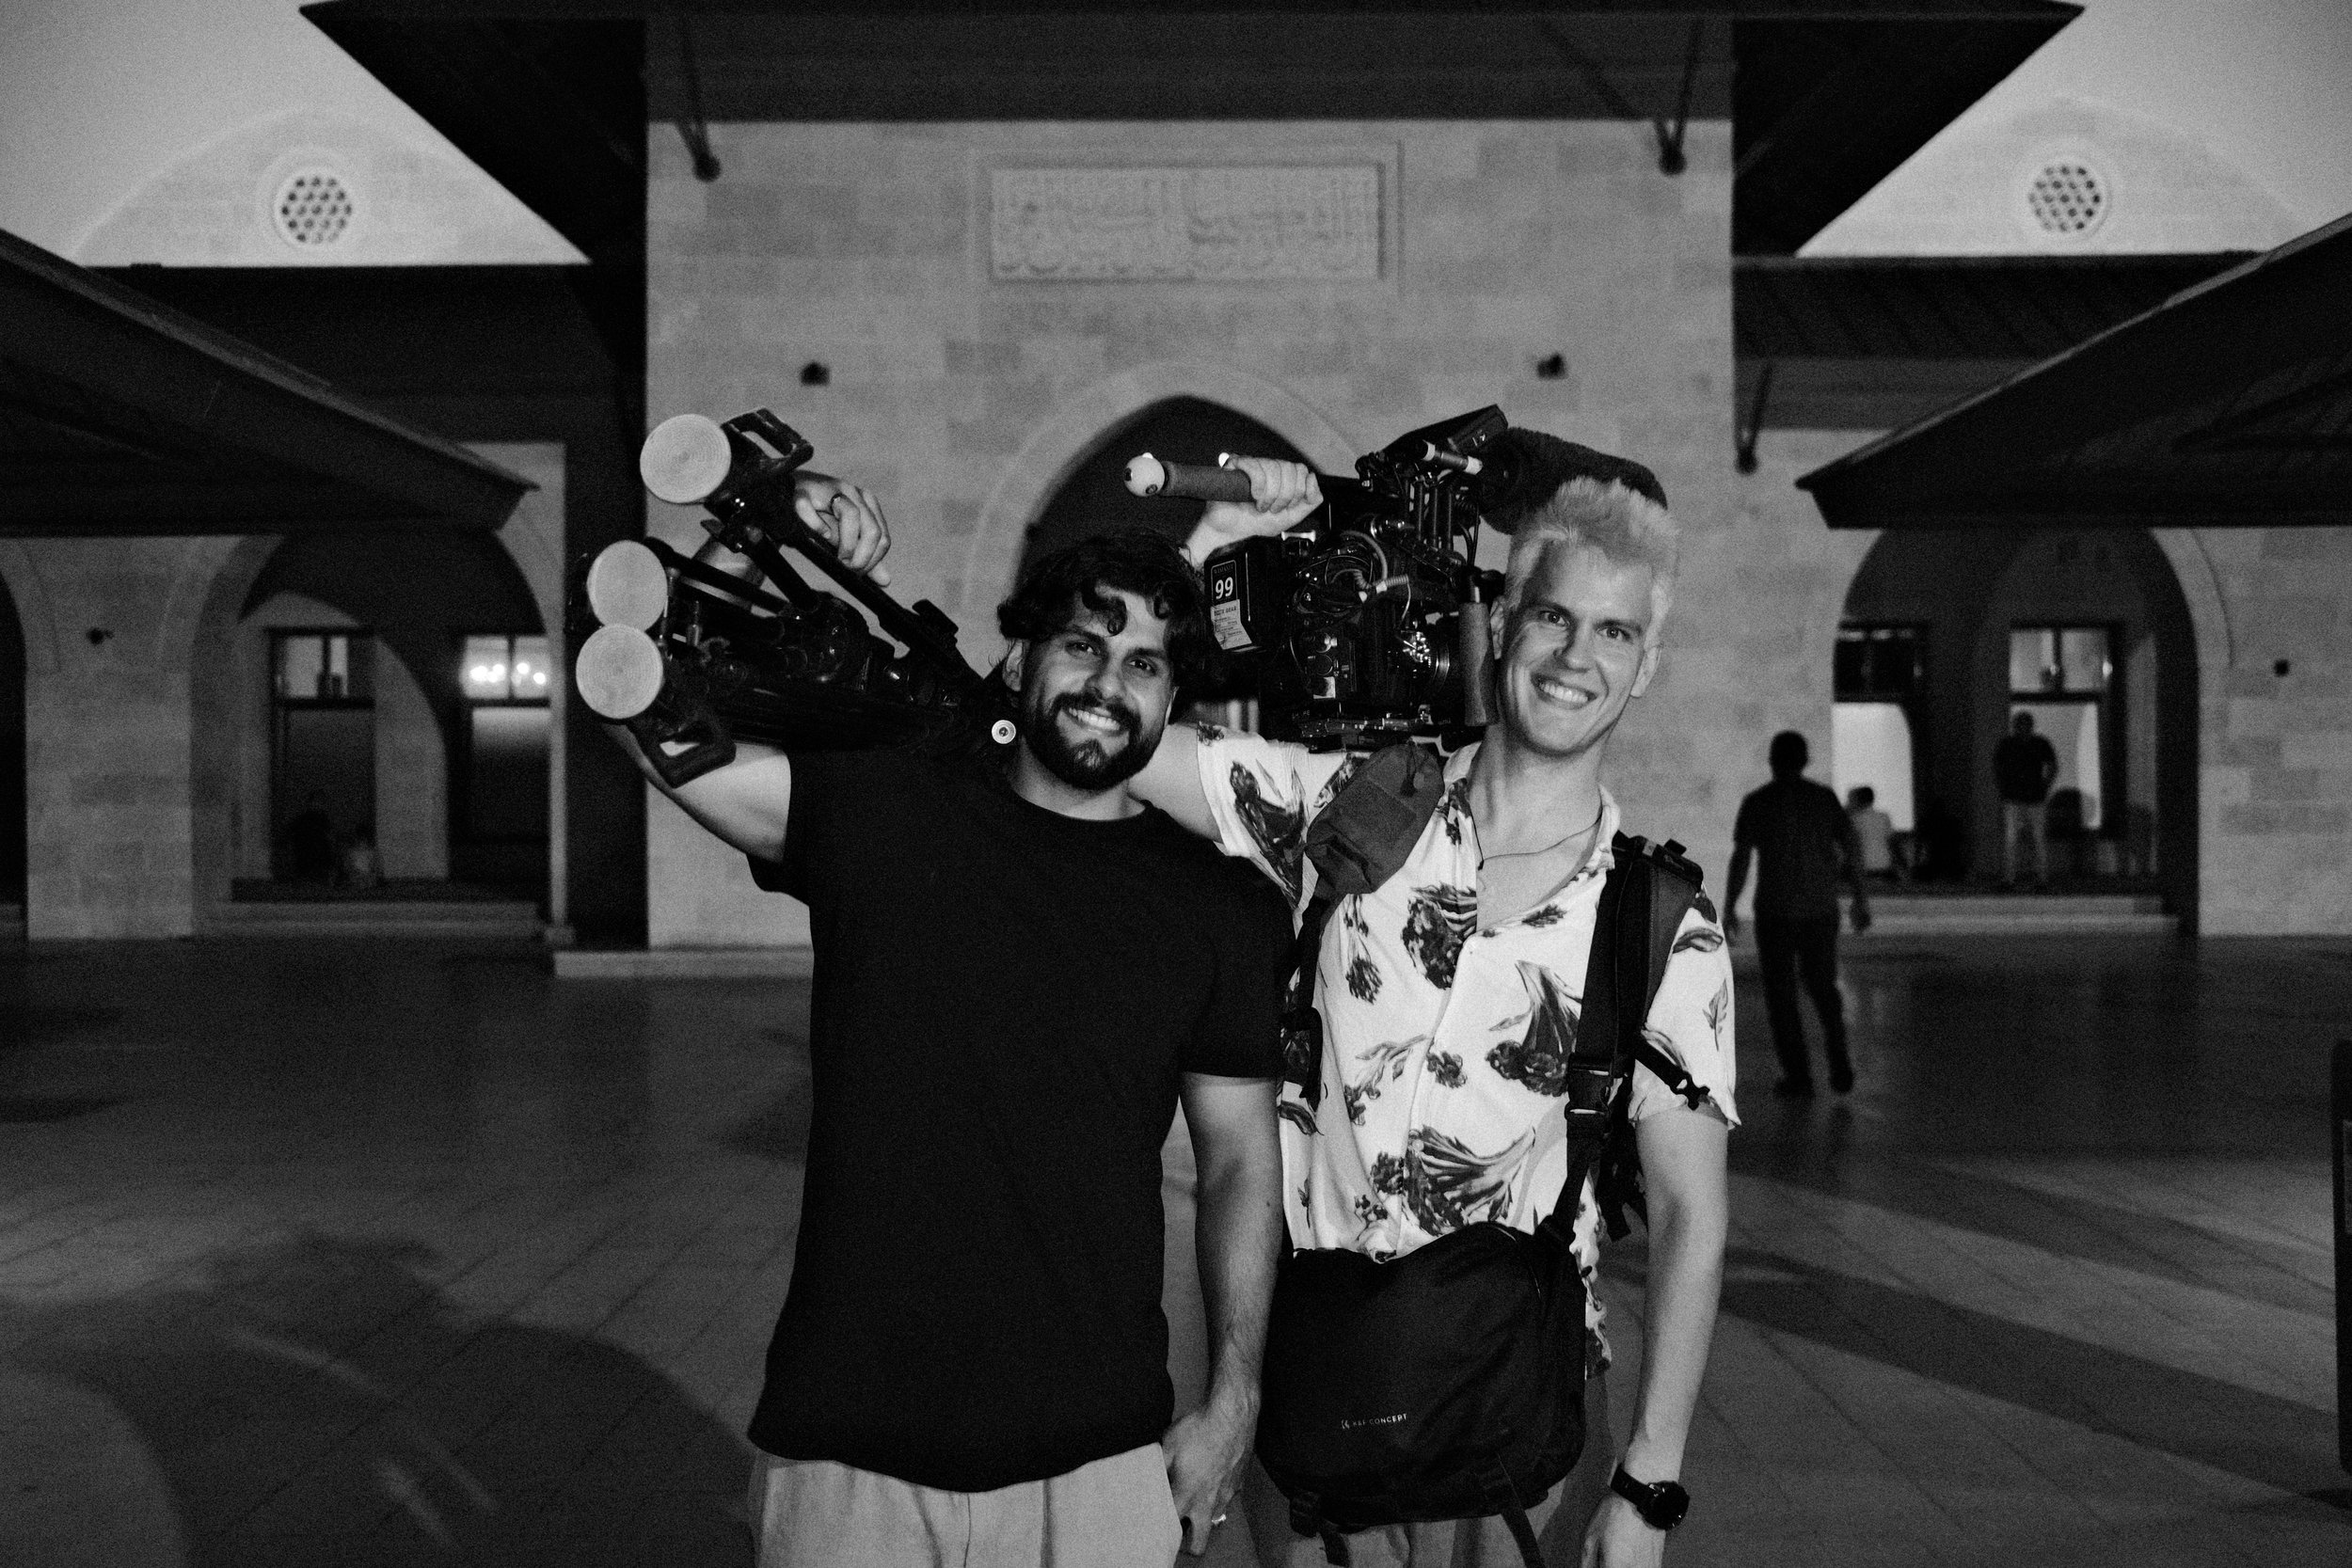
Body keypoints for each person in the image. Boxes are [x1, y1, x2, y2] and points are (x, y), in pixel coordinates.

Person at [612, 483, 1294, 1568]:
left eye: (1144, 663)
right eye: (1082, 642)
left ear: (1176, 704)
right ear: (1022, 658)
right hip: (849, 1453)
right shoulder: (883, 814)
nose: (1106, 683)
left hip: (1099, 1454)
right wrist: (753, 528)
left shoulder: (1218, 908)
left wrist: (1233, 1400)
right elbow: (658, 728)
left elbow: (1240, 1165)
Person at [1133, 442, 1737, 1568]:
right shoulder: (1350, 803)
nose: (1576, 656)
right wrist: (1208, 561)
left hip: (1522, 1410)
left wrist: (1647, 1483)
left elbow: (1692, 1217)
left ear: (1645, 663)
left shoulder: (1662, 923)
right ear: (1503, 620)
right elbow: (1112, 740)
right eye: (1554, 617)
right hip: (1318, 1385)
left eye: (1615, 632)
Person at [1724, 732, 1869, 1098]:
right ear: (1805, 760)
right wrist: (1860, 898)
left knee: (1782, 995)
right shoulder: (1823, 800)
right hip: (1820, 909)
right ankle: (1839, 1064)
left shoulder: (1759, 802)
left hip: (1776, 910)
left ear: (1772, 760)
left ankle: (1799, 1076)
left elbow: (1742, 858)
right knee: (1823, 987)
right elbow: (1851, 848)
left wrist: (1729, 907)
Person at [1993, 711, 2058, 889]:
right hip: (2021, 797)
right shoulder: (2016, 744)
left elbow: (2052, 766)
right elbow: (2052, 766)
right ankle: (2016, 878)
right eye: (2020, 724)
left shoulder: (2015, 744)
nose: (2023, 728)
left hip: (2027, 797)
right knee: (2019, 840)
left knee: (2029, 840)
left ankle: (2028, 878)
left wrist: (2045, 785)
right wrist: (2045, 785)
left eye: (2025, 724)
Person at [1845, 786, 1896, 882]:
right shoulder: (1884, 817)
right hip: (1884, 866)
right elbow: (1891, 842)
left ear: (1857, 800)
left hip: (1863, 868)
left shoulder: (1854, 820)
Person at [286, 791, 335, 884]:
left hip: (315, 859)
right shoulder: (304, 820)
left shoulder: (322, 819)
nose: (319, 805)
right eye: (317, 802)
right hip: (308, 857)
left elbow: (329, 837)